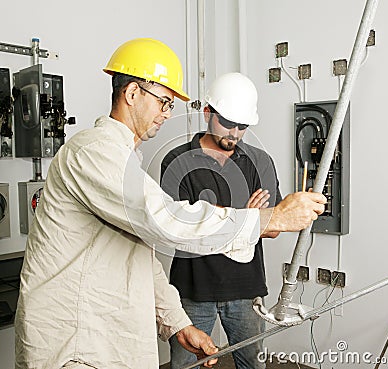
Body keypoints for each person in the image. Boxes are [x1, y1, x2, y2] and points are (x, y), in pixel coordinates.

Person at [14, 38, 326, 369]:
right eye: (164, 101)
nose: (166, 114)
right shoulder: (94, 152)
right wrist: (269, 218)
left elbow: (139, 255)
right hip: (75, 342)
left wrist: (177, 321)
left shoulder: (125, 161)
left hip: (110, 335)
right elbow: (167, 221)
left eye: (170, 106)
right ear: (133, 94)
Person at [160, 72, 284, 369]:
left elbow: (274, 227)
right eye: (227, 123)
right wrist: (247, 215)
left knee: (253, 365)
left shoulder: (260, 161)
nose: (234, 132)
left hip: (246, 288)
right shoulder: (175, 160)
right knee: (184, 366)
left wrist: (209, 215)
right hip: (191, 290)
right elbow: (178, 229)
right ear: (207, 113)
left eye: (242, 125)